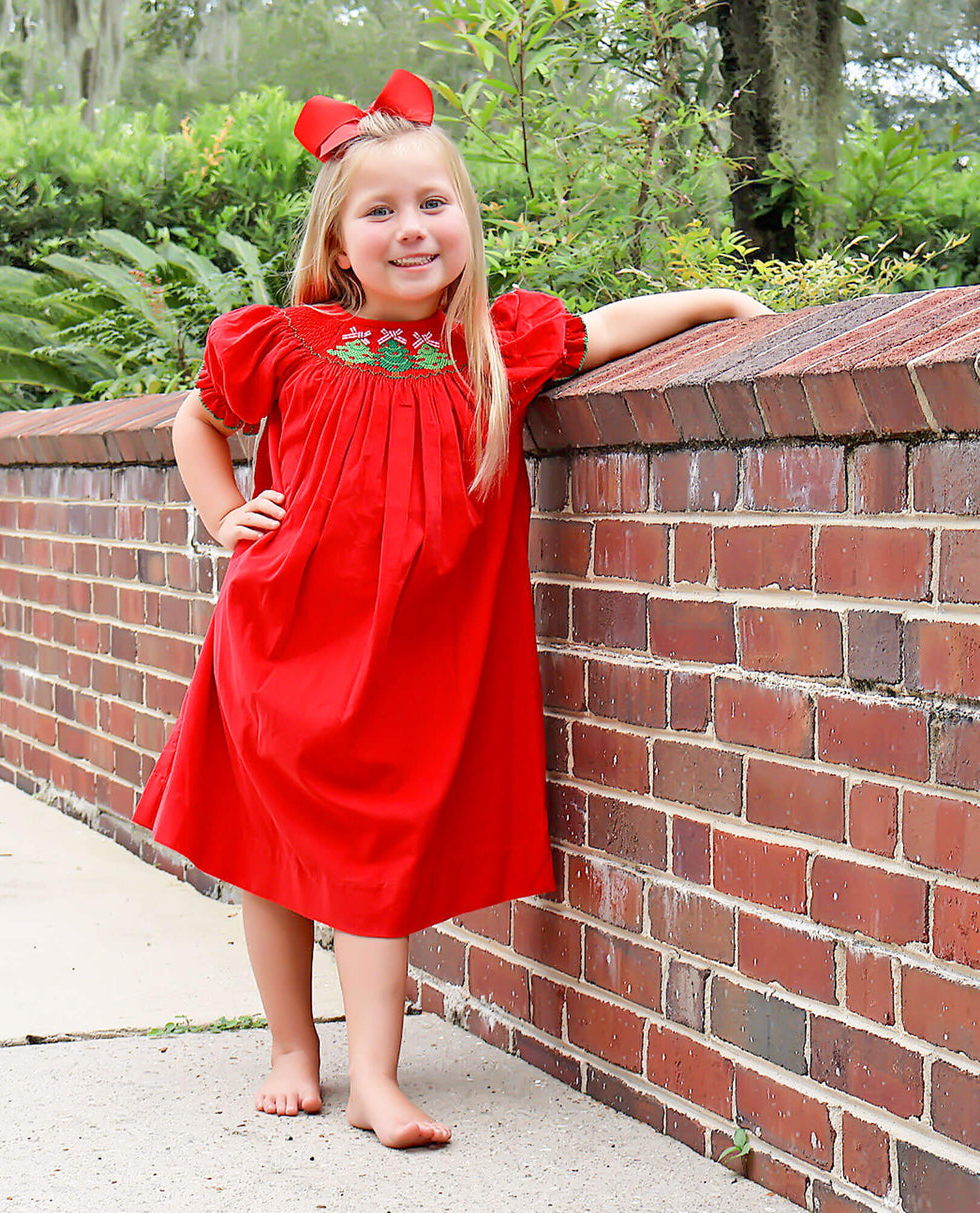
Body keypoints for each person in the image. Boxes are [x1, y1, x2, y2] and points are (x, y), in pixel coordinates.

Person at [133, 69, 770, 1150]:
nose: (410, 228)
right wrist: (222, 512)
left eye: (432, 204)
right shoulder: (280, 344)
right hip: (281, 630)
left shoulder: (496, 347)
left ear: (467, 222)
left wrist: (716, 303)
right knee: (271, 846)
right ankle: (293, 1047)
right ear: (339, 245)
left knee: (375, 850)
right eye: (378, 212)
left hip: (411, 655)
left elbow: (607, 326)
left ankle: (375, 1075)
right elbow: (194, 423)